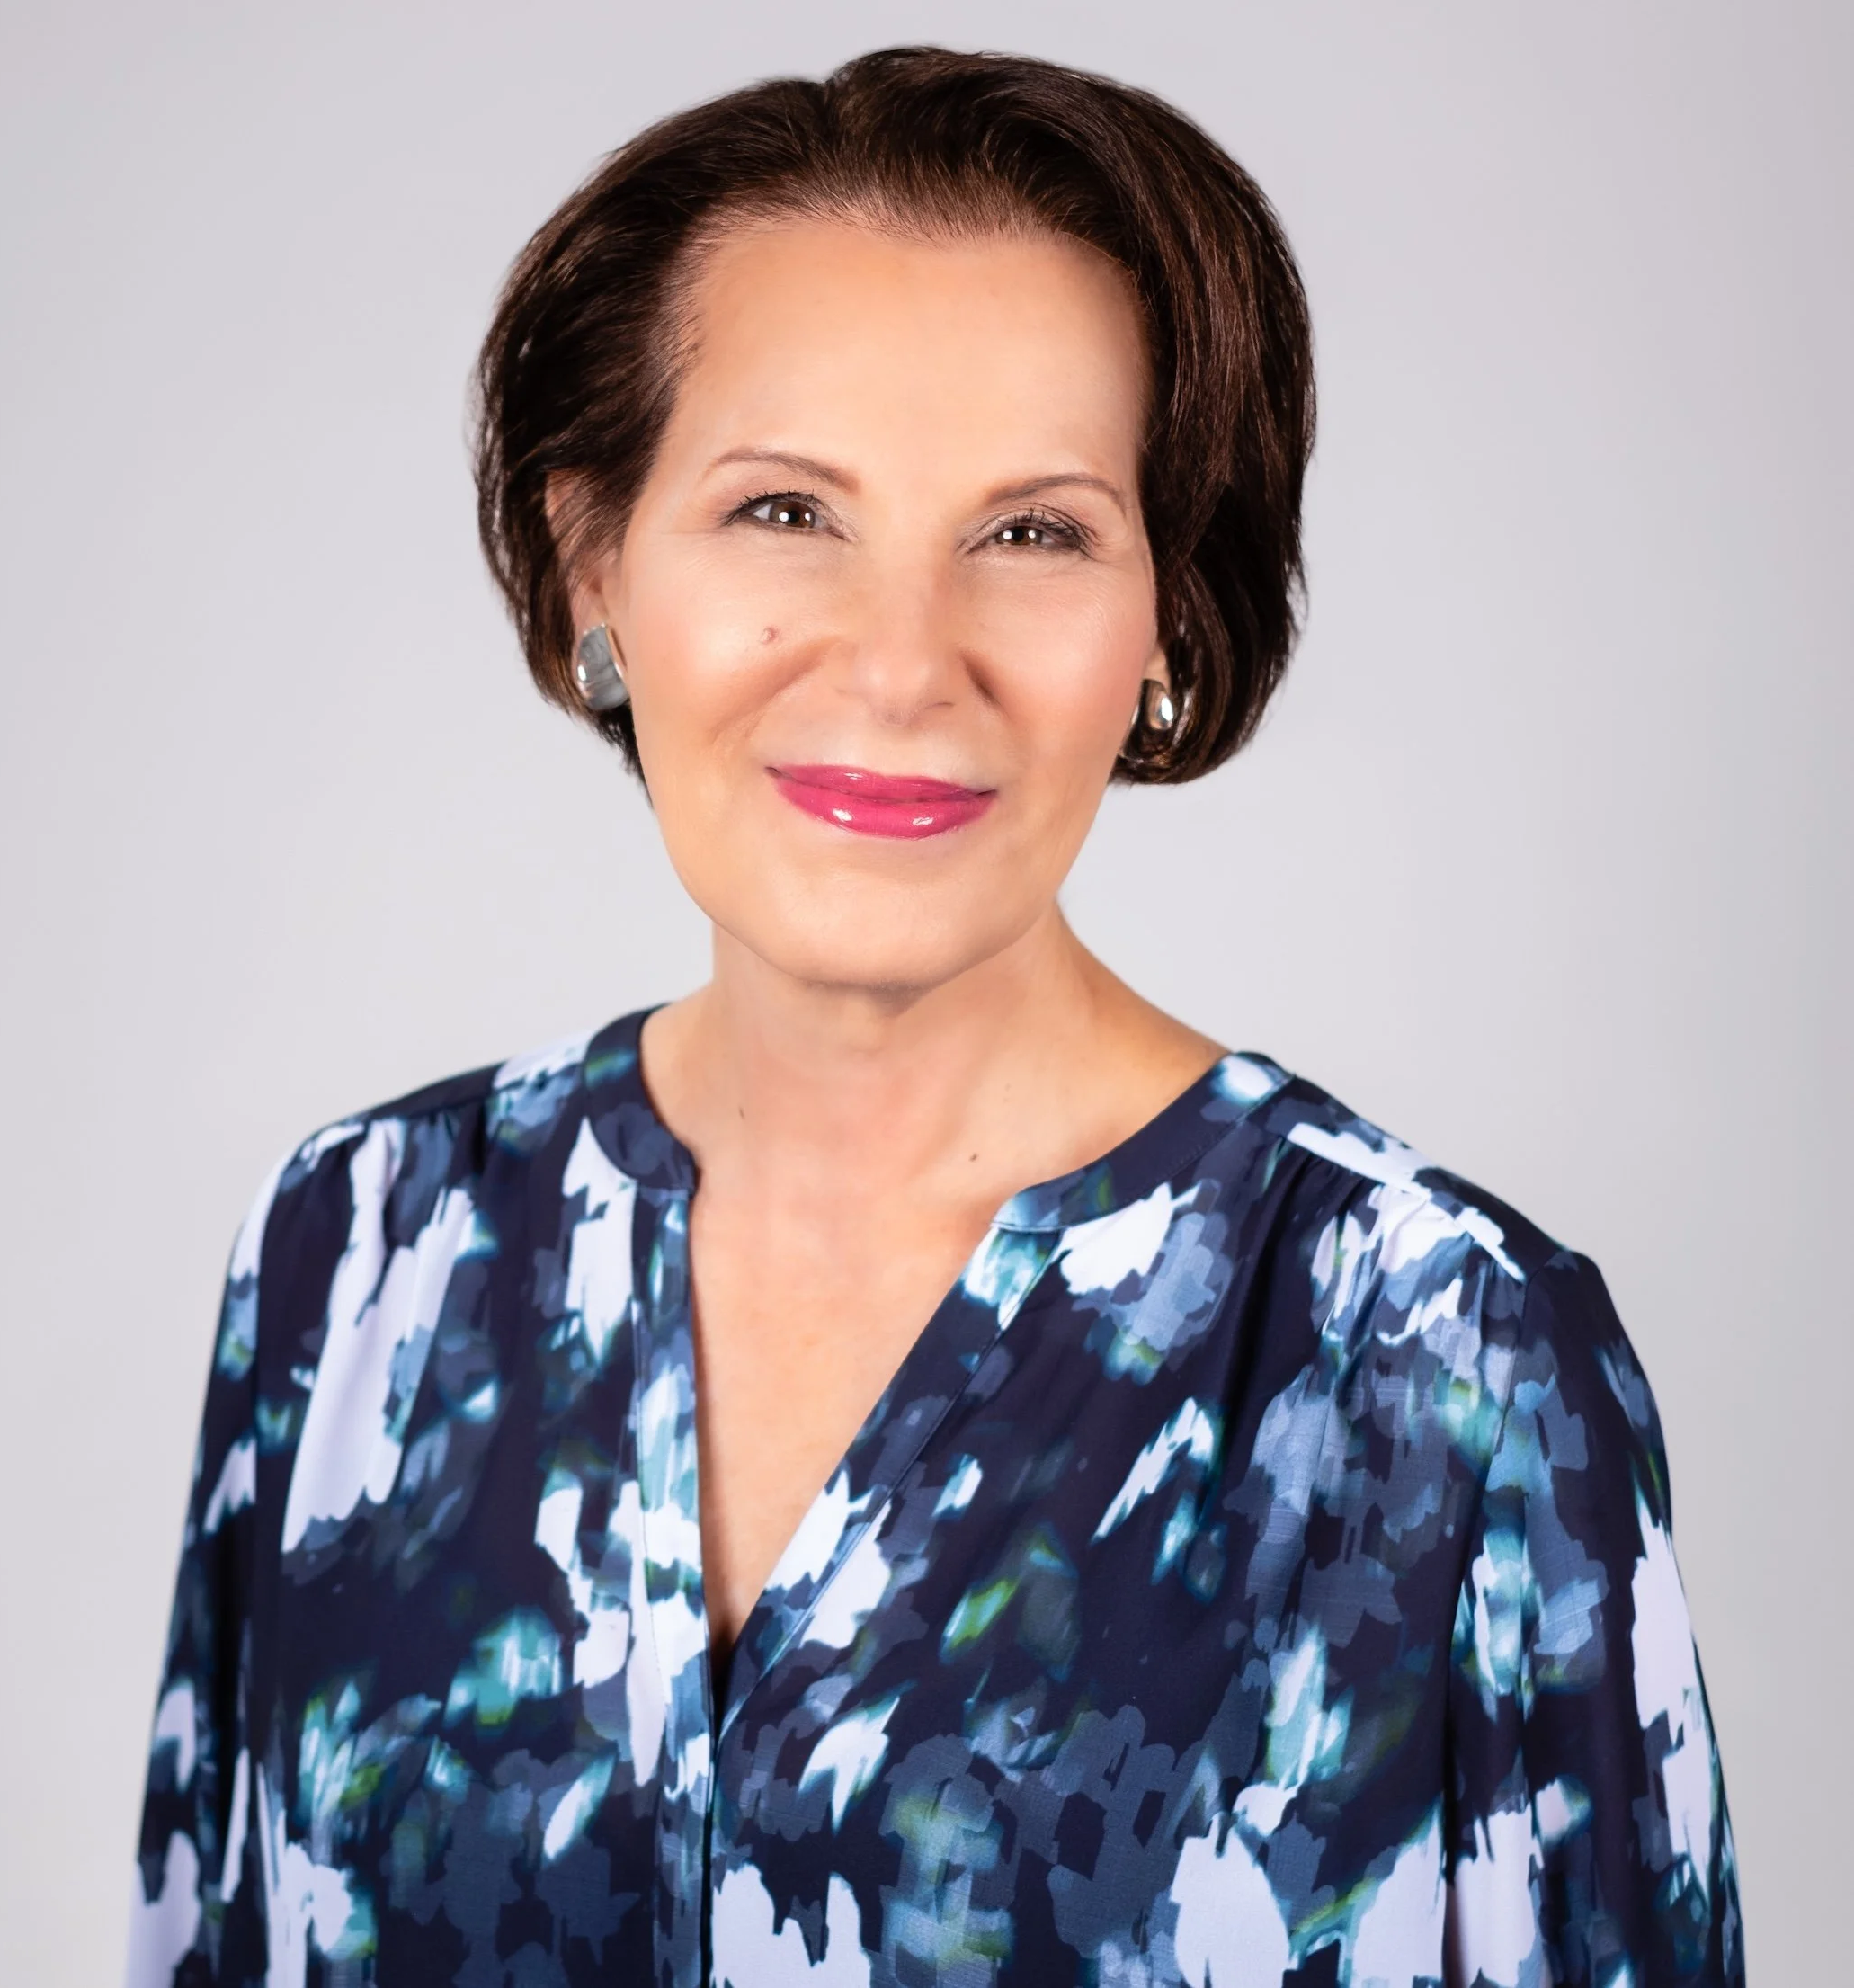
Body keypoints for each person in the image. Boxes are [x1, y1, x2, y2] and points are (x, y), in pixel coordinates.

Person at [128, 47, 1742, 1988]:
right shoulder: (360, 1255)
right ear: (595, 567)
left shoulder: (1441, 1359)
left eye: (1036, 530)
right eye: (787, 510)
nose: (901, 664)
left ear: (1166, 629)